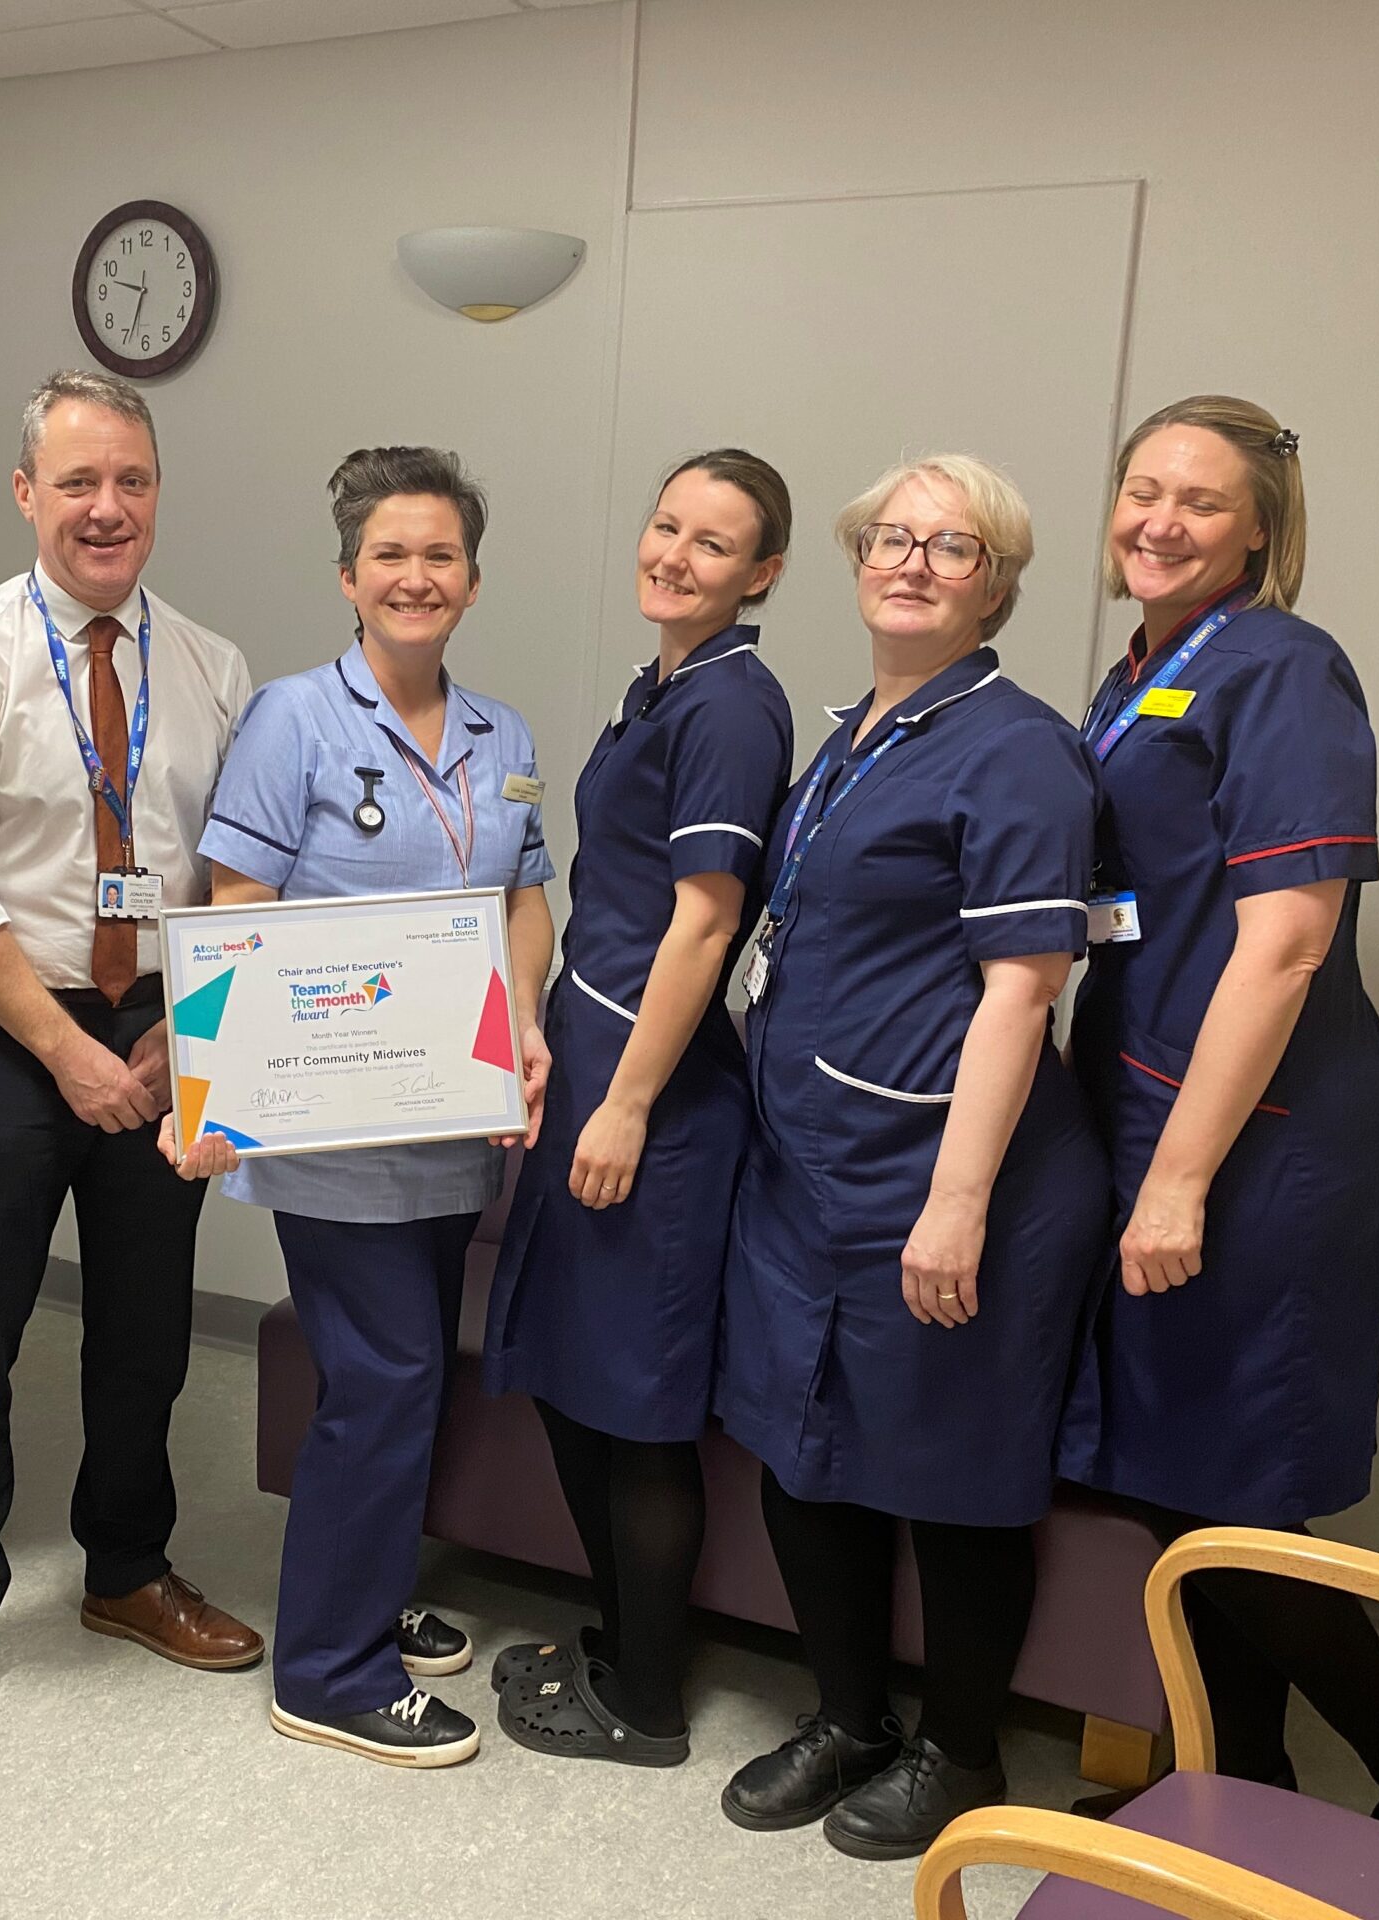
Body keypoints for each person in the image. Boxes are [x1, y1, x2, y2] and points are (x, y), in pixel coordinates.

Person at [1059, 395, 1379, 1839]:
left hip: (1258, 1132)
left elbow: (1288, 944)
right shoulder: (1140, 671)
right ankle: (1240, 1783)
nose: (1159, 521)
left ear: (1259, 530)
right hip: (1150, 1098)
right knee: (1171, 1473)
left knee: (1229, 1484)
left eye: (1199, 501)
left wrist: (1180, 1178)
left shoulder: (1284, 669)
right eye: (1142, 489)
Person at [715, 455, 1110, 1858]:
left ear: (995, 585)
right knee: (801, 1448)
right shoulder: (859, 735)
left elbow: (1022, 988)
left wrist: (956, 1203)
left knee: (951, 1471)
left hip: (945, 1173)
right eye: (892, 538)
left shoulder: (1016, 749)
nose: (913, 564)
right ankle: (849, 1718)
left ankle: (961, 1748)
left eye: (953, 547)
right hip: (812, 1167)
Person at [0, 370, 263, 1747]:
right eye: (79, 481)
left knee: (147, 1330)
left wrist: (180, 1030)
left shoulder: (213, 669)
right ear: (26, 492)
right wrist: (63, 1051)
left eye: (132, 481)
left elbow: (236, 872)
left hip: (163, 1028)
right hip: (5, 1027)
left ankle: (126, 1569)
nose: (107, 508)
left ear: (157, 494)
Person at [169, 446, 555, 1769]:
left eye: (439, 555)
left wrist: (521, 1025)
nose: (415, 576)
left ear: (472, 581)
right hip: (332, 1127)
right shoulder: (293, 721)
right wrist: (215, 1092)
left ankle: (369, 1591)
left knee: (407, 1376)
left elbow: (522, 902)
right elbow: (237, 912)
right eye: (389, 554)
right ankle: (328, 1670)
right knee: (382, 1379)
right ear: (348, 577)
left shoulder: (505, 737)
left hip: (452, 1116)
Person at [480, 451, 796, 1765]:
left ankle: (649, 1703)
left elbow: (705, 922)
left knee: (637, 1405)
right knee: (573, 1383)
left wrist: (622, 1105)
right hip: (593, 1060)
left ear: (762, 572)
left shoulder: (732, 708)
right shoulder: (661, 686)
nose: (675, 555)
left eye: (713, 544)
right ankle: (619, 1641)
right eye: (668, 526)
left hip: (652, 1099)